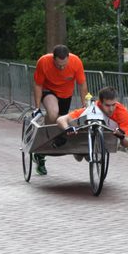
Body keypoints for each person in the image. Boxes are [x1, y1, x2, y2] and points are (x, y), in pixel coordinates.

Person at [32, 44, 88, 175]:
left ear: (68, 58)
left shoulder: (76, 62)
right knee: (53, 113)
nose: (62, 68)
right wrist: (37, 107)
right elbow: (38, 84)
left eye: (64, 65)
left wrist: (85, 104)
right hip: (48, 91)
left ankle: (60, 142)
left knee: (62, 121)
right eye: (58, 65)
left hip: (65, 95)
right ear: (53, 59)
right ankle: (46, 137)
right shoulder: (44, 61)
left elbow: (82, 84)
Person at [56, 86, 128, 151]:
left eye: (113, 105)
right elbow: (61, 119)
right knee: (80, 156)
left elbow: (127, 144)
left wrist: (121, 137)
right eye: (107, 105)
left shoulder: (123, 113)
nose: (111, 109)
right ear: (100, 103)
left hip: (107, 140)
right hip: (85, 137)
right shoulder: (93, 108)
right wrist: (67, 129)